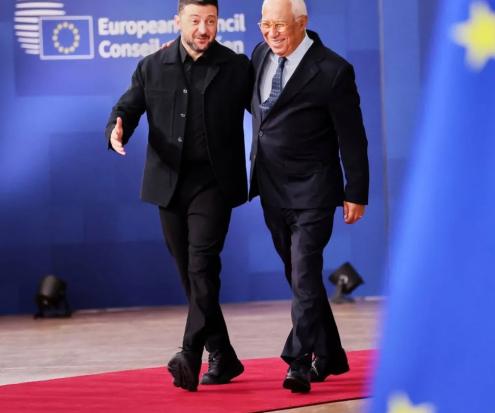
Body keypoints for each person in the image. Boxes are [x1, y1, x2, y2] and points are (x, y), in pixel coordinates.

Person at [104, 0, 252, 392]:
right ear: (178, 21)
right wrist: (117, 129)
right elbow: (128, 107)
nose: (204, 29)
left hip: (214, 184)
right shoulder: (152, 66)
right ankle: (223, 354)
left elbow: (267, 111)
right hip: (168, 183)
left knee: (202, 266)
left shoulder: (236, 67)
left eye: (211, 20)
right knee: (189, 273)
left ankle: (189, 355)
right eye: (195, 20)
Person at [249, 0, 370, 394]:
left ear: (302, 23)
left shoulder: (333, 70)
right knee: (301, 279)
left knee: (303, 275)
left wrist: (356, 191)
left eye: (279, 25)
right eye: (265, 24)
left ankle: (299, 361)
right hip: (271, 188)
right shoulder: (259, 55)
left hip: (314, 191)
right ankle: (330, 353)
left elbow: (352, 137)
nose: (271, 33)